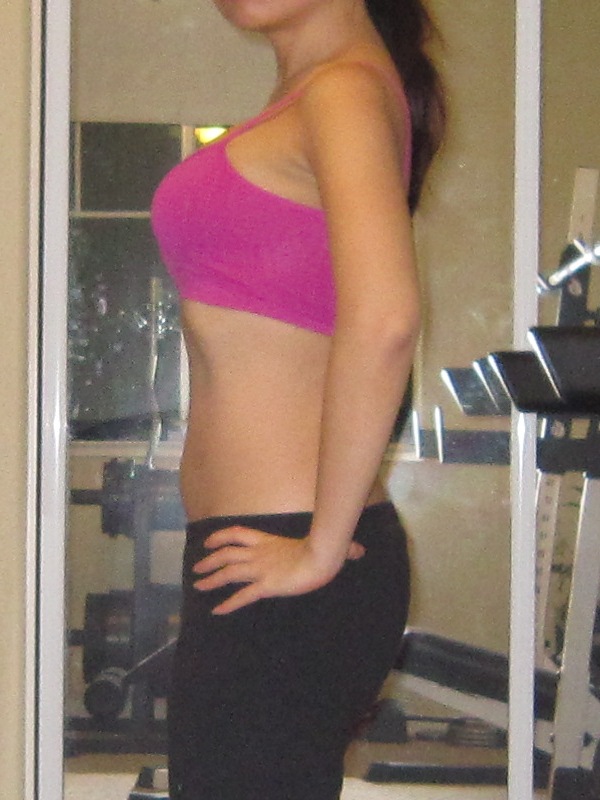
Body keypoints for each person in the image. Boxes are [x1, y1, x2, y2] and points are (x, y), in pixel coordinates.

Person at [151, 0, 444, 797]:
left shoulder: (343, 89)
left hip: (295, 554)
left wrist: (319, 548)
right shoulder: (320, 92)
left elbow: (385, 322)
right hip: (261, 550)